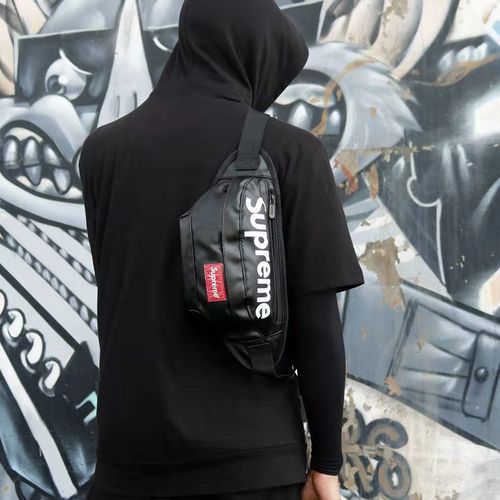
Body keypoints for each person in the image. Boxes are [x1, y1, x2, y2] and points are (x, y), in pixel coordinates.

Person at [80, 0, 365, 499]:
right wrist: (325, 462)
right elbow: (318, 326)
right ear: (253, 55)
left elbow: (119, 297)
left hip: (128, 469)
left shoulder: (102, 153)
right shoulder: (292, 153)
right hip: (254, 468)